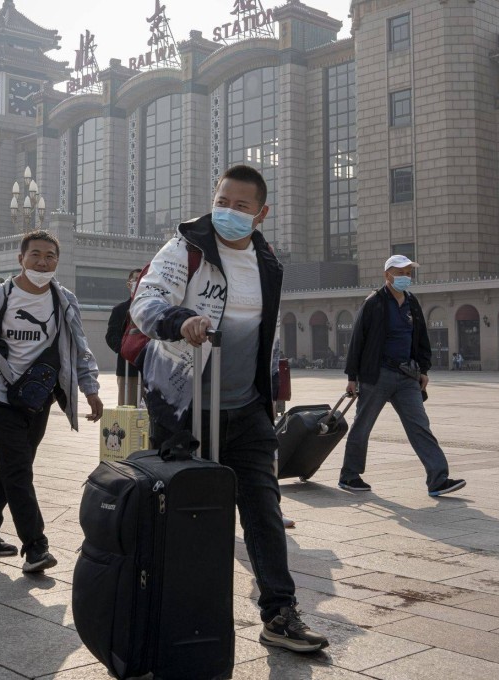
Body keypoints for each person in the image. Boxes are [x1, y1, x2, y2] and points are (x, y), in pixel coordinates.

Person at [131, 165, 328, 654]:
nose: (229, 212)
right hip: (183, 405)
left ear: (261, 214)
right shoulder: (186, 249)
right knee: (182, 511)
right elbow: (147, 302)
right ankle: (168, 611)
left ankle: (279, 613)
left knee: (263, 509)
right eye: (223, 201)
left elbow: (267, 334)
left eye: (242, 206)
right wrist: (182, 320)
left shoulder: (267, 260)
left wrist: (271, 393)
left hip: (247, 408)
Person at [0, 230, 103, 572]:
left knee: (12, 466)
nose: (43, 261)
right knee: (19, 468)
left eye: (50, 256)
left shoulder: (64, 299)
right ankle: (36, 546)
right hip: (0, 394)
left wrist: (90, 388)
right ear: (20, 258)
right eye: (35, 254)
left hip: (41, 395)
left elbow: (80, 347)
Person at [339, 255, 466, 498]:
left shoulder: (412, 303)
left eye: (409, 272)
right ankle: (350, 476)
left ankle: (438, 479)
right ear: (387, 275)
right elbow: (357, 340)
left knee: (420, 426)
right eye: (401, 273)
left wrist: (424, 370)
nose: (406, 277)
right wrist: (352, 377)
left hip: (407, 376)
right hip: (377, 375)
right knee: (362, 426)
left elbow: (421, 338)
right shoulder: (374, 302)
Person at [105, 268, 142, 406]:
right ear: (129, 284)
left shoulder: (154, 309)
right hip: (128, 370)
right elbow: (111, 336)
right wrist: (125, 349)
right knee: (127, 409)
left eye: (142, 279)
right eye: (136, 279)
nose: (139, 283)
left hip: (150, 371)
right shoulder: (120, 310)